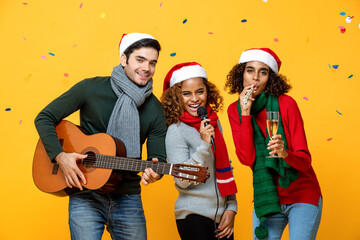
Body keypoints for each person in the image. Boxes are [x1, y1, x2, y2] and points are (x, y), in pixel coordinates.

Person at [34, 33, 167, 240]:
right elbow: (45, 117)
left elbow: (157, 158)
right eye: (140, 60)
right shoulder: (91, 88)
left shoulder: (155, 109)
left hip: (128, 197)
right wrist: (60, 156)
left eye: (152, 63)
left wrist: (155, 172)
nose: (146, 68)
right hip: (84, 192)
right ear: (124, 59)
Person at [225, 48, 322, 240]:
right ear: (241, 74)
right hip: (268, 197)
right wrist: (245, 113)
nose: (255, 78)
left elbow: (305, 161)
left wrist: (285, 153)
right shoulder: (234, 110)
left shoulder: (286, 104)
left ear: (270, 78)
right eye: (250, 70)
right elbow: (246, 158)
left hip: (301, 195)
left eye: (263, 72)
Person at [161, 62, 238, 240]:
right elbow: (181, 180)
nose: (194, 99)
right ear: (176, 97)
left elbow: (225, 166)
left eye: (199, 92)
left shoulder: (213, 122)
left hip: (221, 217)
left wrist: (231, 207)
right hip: (193, 216)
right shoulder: (176, 130)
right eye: (186, 94)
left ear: (207, 92)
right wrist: (204, 145)